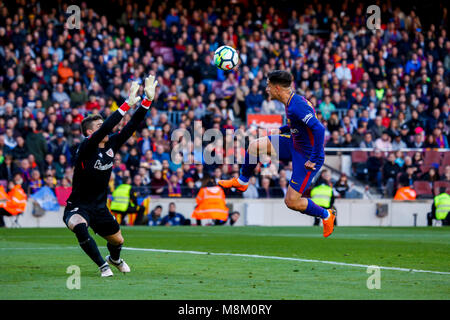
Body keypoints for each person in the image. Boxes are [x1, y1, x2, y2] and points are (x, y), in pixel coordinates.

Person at [219, 70, 336, 237]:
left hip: (306, 156)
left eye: (268, 86)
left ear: (277, 88)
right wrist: (280, 130)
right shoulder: (291, 102)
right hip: (293, 143)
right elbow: (297, 124)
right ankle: (242, 181)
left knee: (291, 201)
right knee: (254, 146)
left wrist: (315, 157)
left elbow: (319, 128)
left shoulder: (297, 105)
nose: (266, 89)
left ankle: (326, 215)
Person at [63, 75, 158, 277]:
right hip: (78, 205)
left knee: (118, 241)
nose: (104, 128)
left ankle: (114, 259)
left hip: (99, 207)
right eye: (98, 126)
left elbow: (132, 125)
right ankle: (102, 266)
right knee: (79, 226)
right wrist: (126, 104)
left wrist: (147, 101)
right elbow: (107, 127)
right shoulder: (86, 148)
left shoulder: (111, 144)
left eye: (102, 125)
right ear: (89, 133)